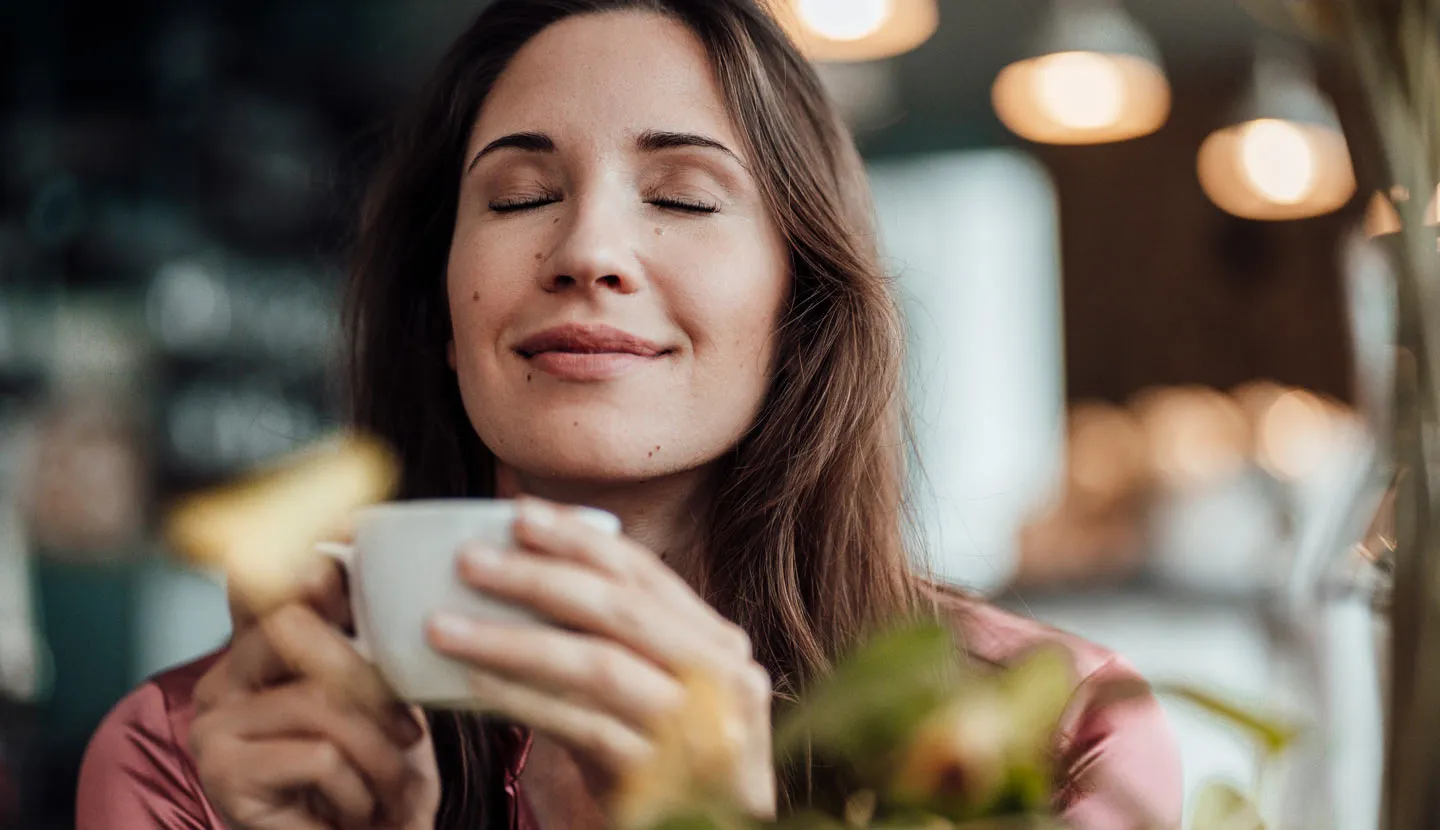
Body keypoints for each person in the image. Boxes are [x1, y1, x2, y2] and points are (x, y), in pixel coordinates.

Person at [75, 1, 1183, 828]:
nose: (590, 251)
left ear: (798, 307)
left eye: (682, 198)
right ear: (440, 310)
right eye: (518, 198)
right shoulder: (186, 760)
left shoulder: (1053, 729)